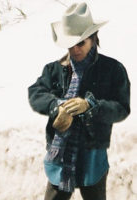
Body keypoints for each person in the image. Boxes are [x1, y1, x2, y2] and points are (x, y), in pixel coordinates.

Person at [28, 2, 130, 200]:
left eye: (80, 43)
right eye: (70, 44)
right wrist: (56, 107)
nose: (75, 49)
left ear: (93, 38)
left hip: (92, 155)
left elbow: (121, 108)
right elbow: (35, 93)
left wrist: (91, 106)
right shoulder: (54, 69)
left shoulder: (113, 69)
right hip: (60, 156)